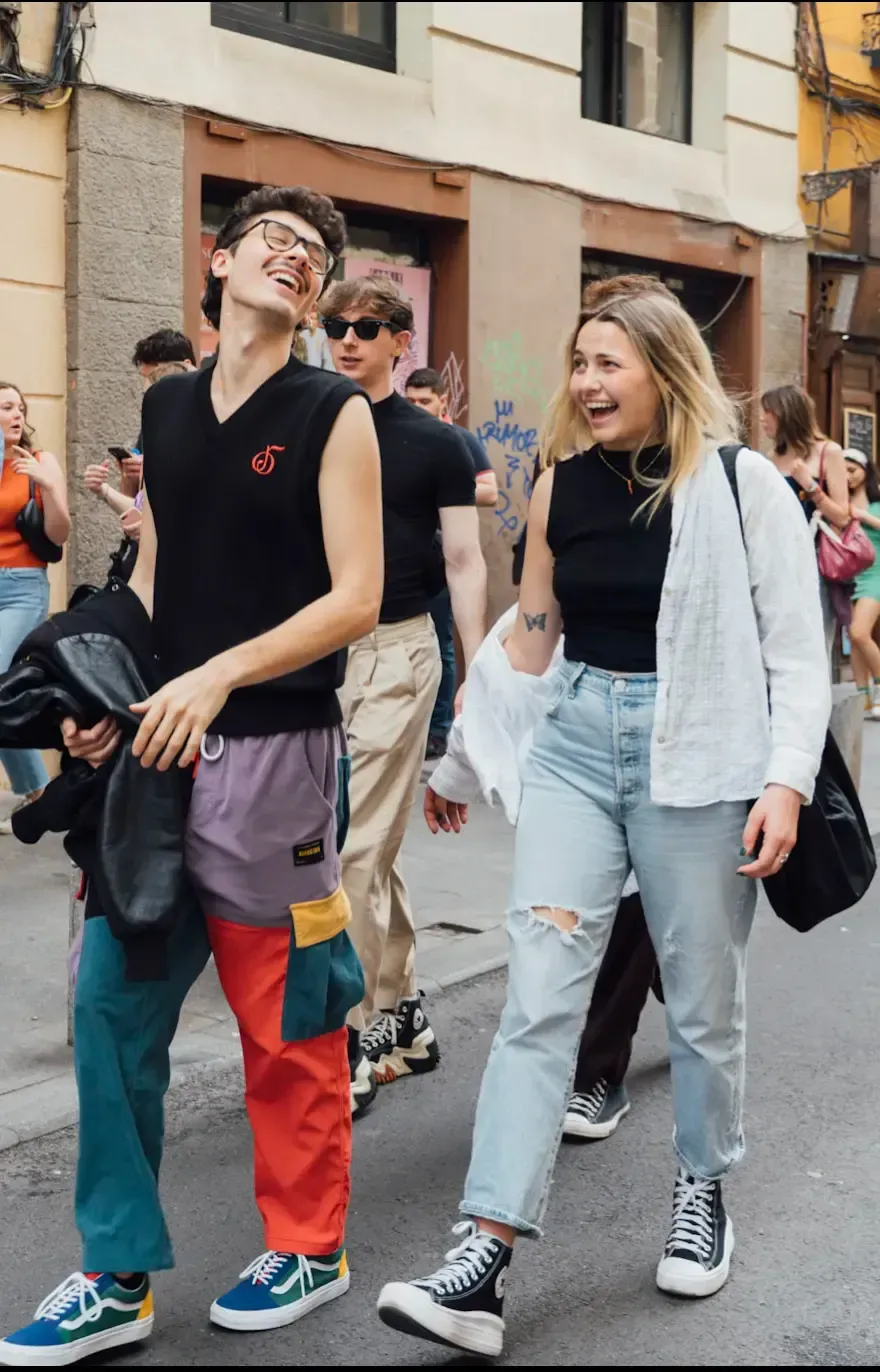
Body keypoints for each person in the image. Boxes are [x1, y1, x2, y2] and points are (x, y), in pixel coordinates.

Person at [376, 275, 829, 1358]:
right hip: (579, 744)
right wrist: (456, 762)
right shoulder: (559, 488)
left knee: (704, 1004)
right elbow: (530, 640)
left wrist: (785, 780)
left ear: (662, 369)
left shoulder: (742, 485)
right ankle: (481, 1257)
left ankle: (701, 1186)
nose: (583, 383)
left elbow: (793, 651)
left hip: (703, 756)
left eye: (605, 364)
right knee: (538, 1002)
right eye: (576, 364)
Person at [0, 184, 384, 1366]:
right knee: (111, 1005)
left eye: (314, 251)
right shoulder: (166, 410)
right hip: (159, 754)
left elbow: (356, 599)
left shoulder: (335, 411)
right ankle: (115, 1272)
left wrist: (216, 678)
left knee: (290, 1022)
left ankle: (309, 1244)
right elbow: (158, 575)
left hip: (279, 757)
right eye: (274, 240)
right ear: (218, 264)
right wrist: (109, 697)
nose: (297, 257)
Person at [319, 278, 488, 1114]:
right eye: (336, 326)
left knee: (352, 853)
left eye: (366, 328)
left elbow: (463, 561)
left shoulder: (436, 444)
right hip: (314, 659)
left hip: (396, 653)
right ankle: (409, 1016)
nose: (347, 339)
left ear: (400, 342)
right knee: (366, 849)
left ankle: (352, 1038)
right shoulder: (307, 421)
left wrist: (478, 677)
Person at [405, 367, 498, 759]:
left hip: (444, 554)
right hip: (404, 560)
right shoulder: (400, 434)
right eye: (411, 401)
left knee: (442, 643)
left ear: (443, 400)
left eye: (425, 401)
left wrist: (442, 490)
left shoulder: (458, 440)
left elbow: (490, 490)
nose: (418, 408)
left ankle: (439, 729)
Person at [0, 383, 70, 835]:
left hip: (23, 587)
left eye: (20, 408)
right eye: (6, 407)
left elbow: (60, 535)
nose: (17, 415)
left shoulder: (40, 463)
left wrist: (49, 488)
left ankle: (39, 789)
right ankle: (38, 791)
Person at [83, 333, 197, 584]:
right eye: (145, 382)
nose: (146, 398)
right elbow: (137, 502)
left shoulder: (207, 429)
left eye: (154, 381)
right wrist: (121, 479)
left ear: (186, 367)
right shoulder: (152, 428)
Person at [761, 384, 849, 661]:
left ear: (786, 414)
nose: (762, 419)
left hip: (815, 563)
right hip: (774, 560)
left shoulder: (828, 452)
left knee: (814, 646)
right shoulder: (769, 459)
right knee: (777, 645)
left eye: (768, 412)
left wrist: (809, 485)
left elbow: (842, 516)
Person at [843, 447, 880, 717]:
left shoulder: (876, 502)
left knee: (859, 632)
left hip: (876, 573)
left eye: (852, 470)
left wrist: (862, 516)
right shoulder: (839, 500)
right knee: (854, 640)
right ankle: (863, 699)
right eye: (842, 470)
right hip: (848, 574)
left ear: (865, 471)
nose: (847, 476)